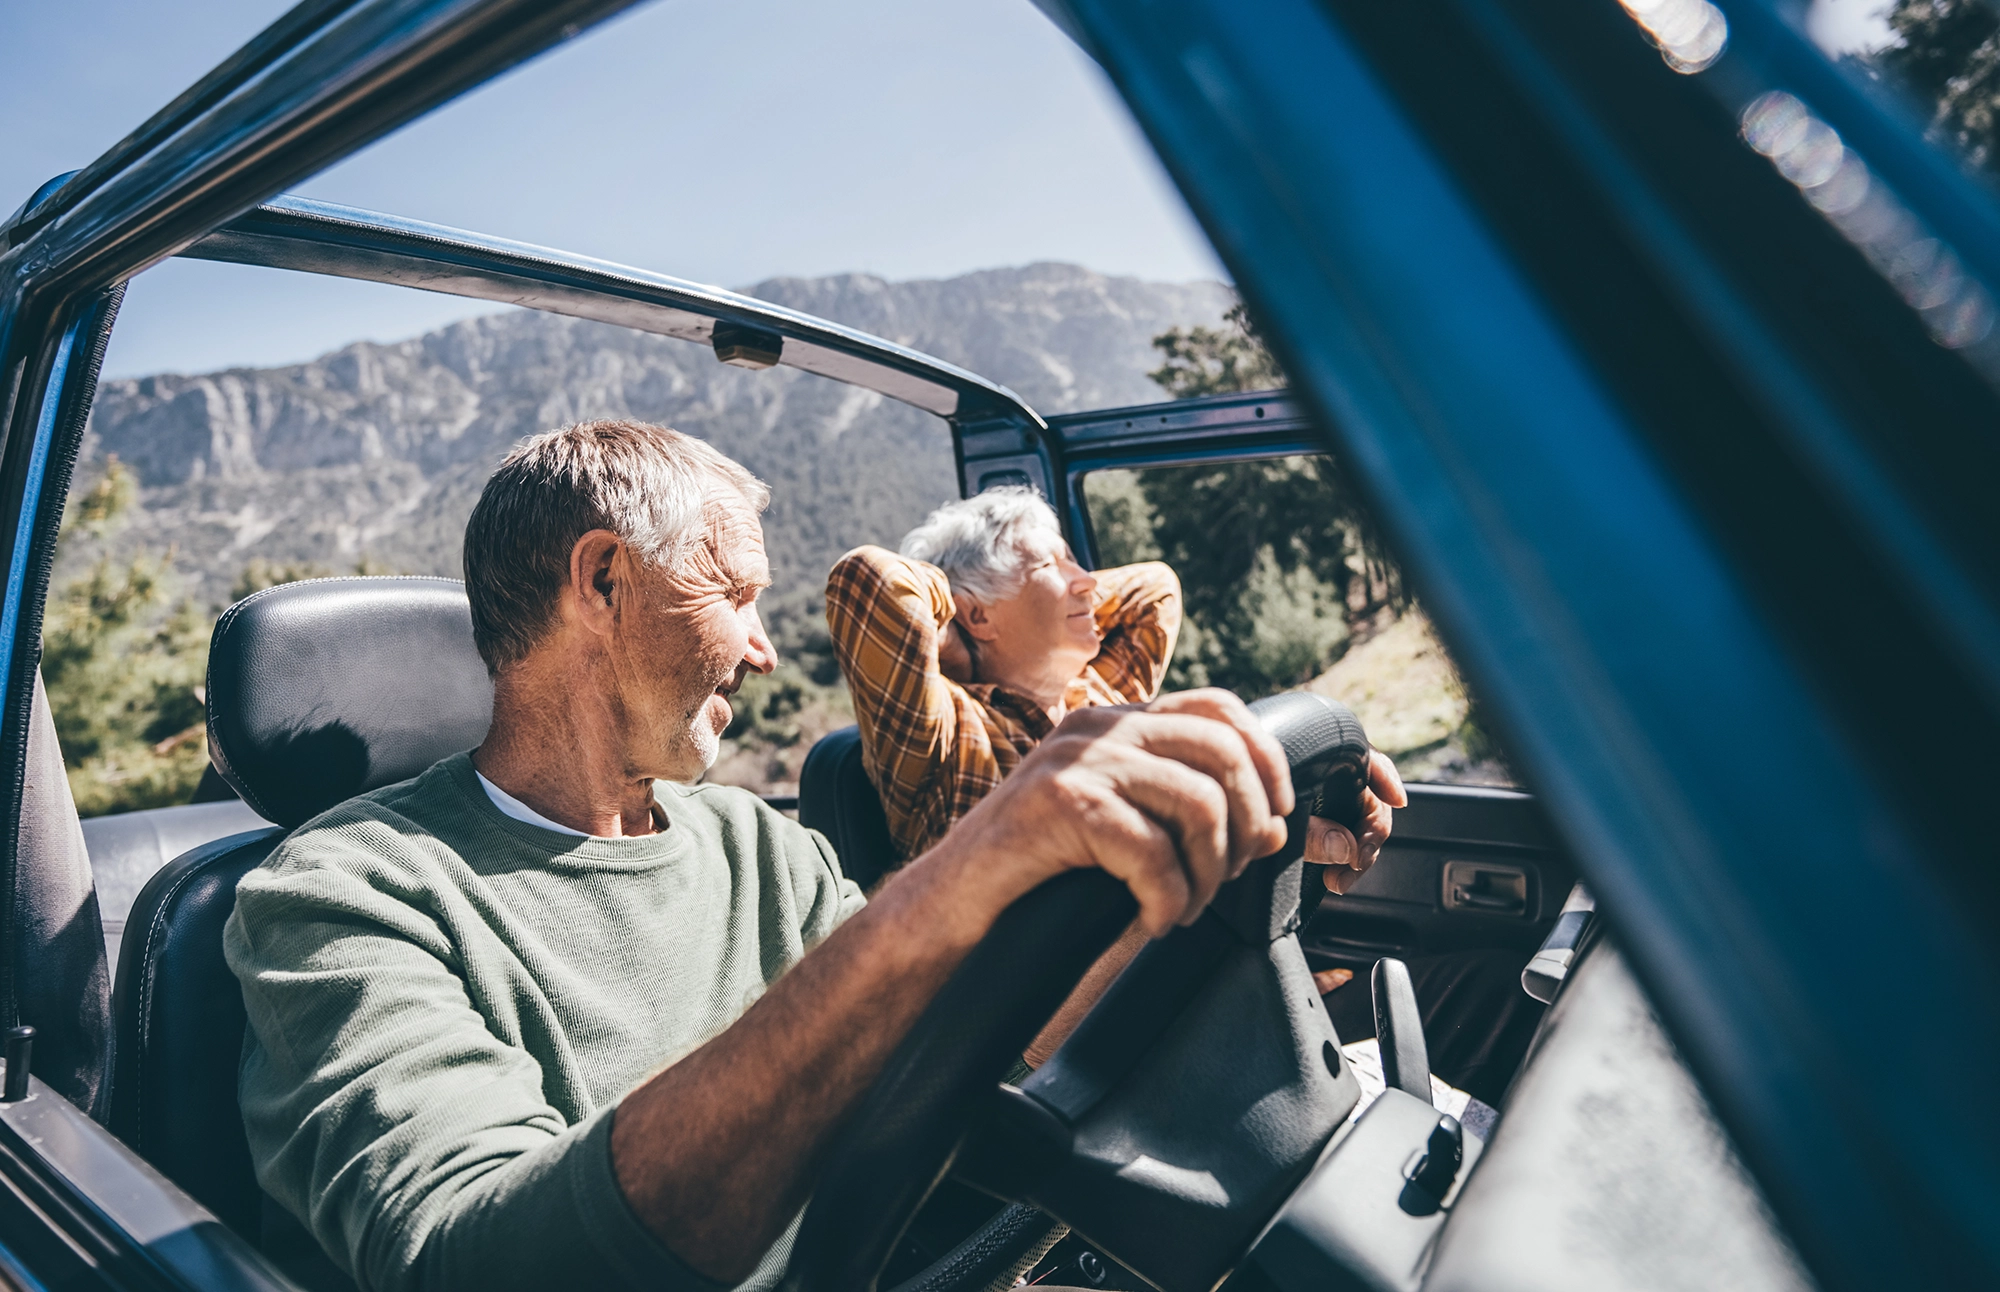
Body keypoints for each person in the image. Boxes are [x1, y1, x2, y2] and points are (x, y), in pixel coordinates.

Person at [224, 420, 1297, 1292]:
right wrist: (949, 880)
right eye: (734, 594)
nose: (763, 646)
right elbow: (475, 1261)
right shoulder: (340, 892)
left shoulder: (750, 839)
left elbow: (971, 1033)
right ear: (600, 582)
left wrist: (1218, 894)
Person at [826, 488, 1538, 1104]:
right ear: (974, 614)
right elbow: (868, 585)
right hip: (1072, 1033)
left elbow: (1156, 589)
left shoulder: (1106, 697)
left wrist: (1052, 580)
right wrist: (961, 629)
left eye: (1084, 565)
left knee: (1490, 989)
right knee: (1483, 1010)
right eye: (1056, 563)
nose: (1088, 584)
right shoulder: (944, 735)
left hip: (1194, 970)